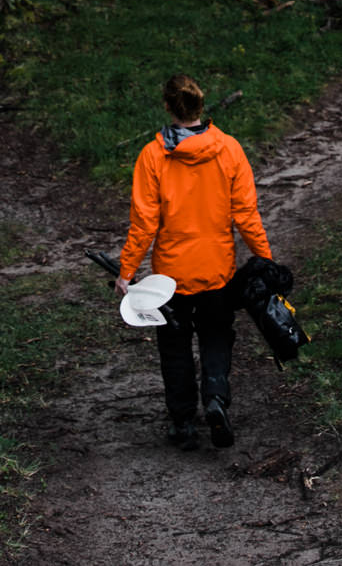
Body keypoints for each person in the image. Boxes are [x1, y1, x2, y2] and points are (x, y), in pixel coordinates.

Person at [114, 74, 273, 450]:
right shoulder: (230, 149)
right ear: (202, 106)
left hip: (170, 275)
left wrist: (126, 271)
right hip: (217, 269)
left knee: (174, 344)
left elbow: (144, 224)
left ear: (168, 106)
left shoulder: (153, 156)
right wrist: (265, 260)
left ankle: (183, 421)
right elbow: (246, 215)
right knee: (217, 336)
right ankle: (216, 399)